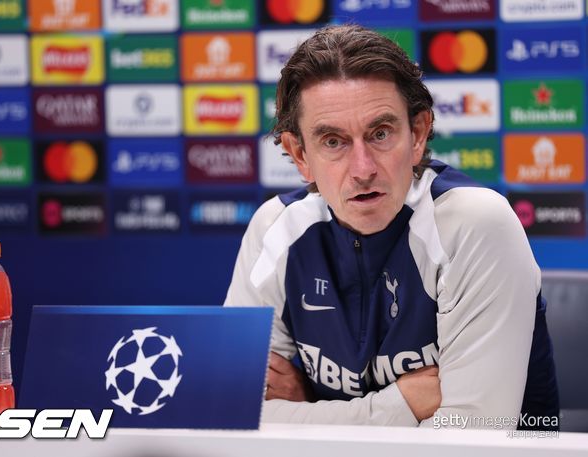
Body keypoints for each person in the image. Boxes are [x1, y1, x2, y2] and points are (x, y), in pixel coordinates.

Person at [224, 25, 559, 429]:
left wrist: (303, 411)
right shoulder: (276, 229)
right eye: (333, 142)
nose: (363, 169)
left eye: (380, 134)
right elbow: (229, 413)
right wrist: (400, 405)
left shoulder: (473, 224)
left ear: (417, 134)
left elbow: (472, 438)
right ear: (300, 155)